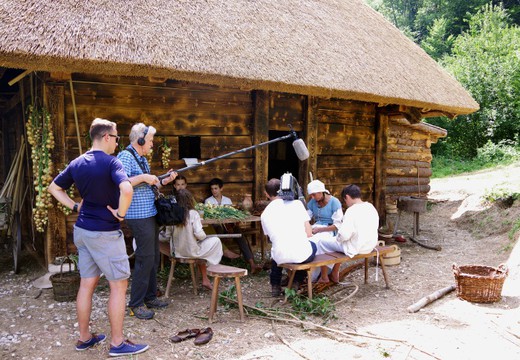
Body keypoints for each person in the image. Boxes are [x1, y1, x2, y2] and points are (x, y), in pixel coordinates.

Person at [48, 118, 149, 356]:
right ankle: (117, 343)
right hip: (105, 233)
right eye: (116, 138)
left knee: (86, 284)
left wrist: (75, 207)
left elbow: (54, 188)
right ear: (106, 137)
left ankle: (84, 338)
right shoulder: (112, 163)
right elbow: (126, 189)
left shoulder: (77, 163)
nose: (117, 142)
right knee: (118, 285)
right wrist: (121, 214)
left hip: (82, 231)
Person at [117, 123, 177, 320]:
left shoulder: (141, 158)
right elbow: (121, 182)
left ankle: (150, 297)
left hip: (149, 212)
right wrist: (143, 177)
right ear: (140, 140)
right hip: (137, 215)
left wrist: (164, 181)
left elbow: (148, 184)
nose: (152, 144)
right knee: (144, 258)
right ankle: (135, 304)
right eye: (150, 140)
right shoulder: (125, 157)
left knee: (153, 257)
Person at [261, 177, 317, 296]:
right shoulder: (297, 204)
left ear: (266, 194)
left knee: (278, 250)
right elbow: (309, 233)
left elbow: (271, 237)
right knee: (313, 246)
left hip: (280, 256)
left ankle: (275, 286)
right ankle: (297, 281)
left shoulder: (265, 213)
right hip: (301, 255)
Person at [317, 184, 379, 283]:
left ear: (347, 197)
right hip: (369, 246)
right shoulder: (370, 207)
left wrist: (338, 239)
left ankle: (324, 277)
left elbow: (344, 235)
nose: (346, 203)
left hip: (356, 248)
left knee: (321, 242)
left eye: (345, 201)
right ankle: (334, 273)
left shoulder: (352, 211)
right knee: (334, 245)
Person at [203, 178, 263, 273]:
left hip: (229, 226)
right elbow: (210, 218)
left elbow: (231, 216)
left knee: (239, 232)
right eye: (212, 189)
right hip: (217, 228)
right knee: (218, 228)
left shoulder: (227, 200)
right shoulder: (208, 201)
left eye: (216, 188)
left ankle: (252, 264)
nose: (214, 191)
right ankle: (219, 263)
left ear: (221, 188)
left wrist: (231, 225)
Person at [173, 189, 223, 290]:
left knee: (201, 248)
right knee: (216, 240)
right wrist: (203, 236)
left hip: (176, 252)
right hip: (191, 252)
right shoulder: (193, 214)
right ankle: (212, 267)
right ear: (189, 200)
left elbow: (167, 235)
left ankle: (205, 279)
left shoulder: (173, 214)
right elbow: (200, 235)